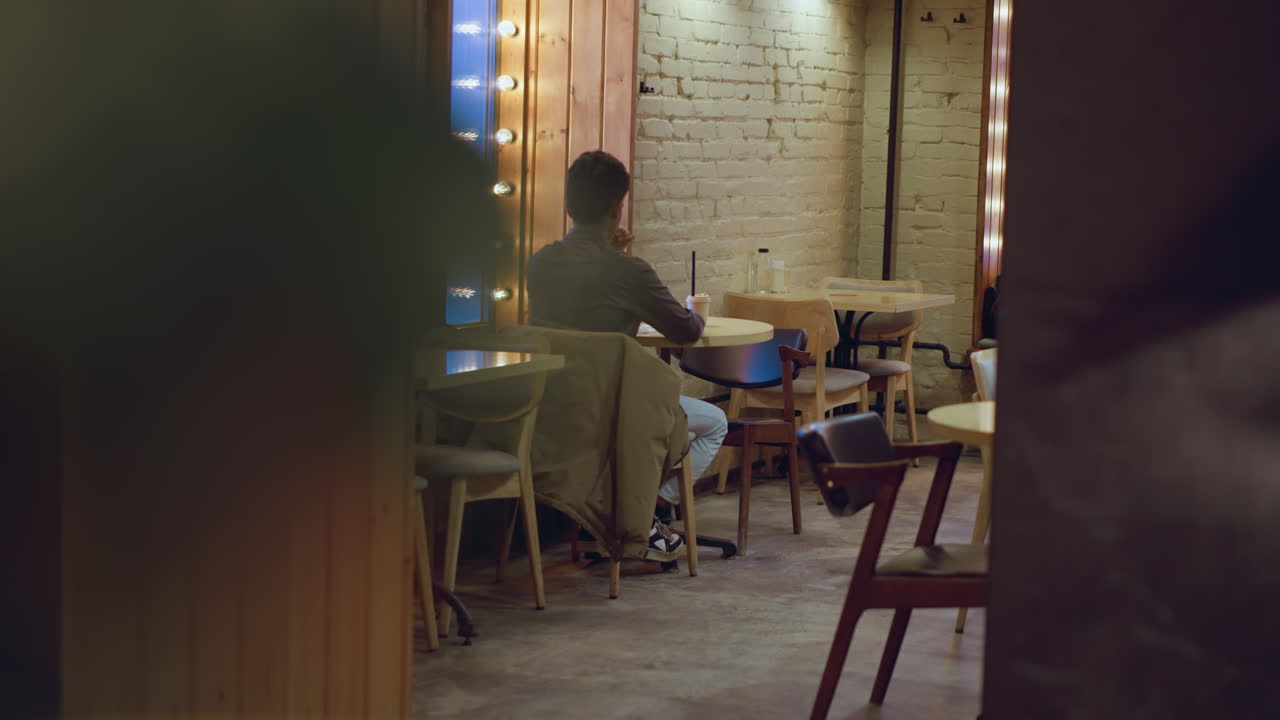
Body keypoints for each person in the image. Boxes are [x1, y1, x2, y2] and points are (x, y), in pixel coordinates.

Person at [526, 150, 728, 553]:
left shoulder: (541, 262)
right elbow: (685, 331)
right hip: (615, 412)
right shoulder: (627, 272)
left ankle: (623, 515)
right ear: (619, 208)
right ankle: (648, 512)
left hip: (548, 409)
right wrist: (697, 312)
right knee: (716, 421)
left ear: (568, 206)